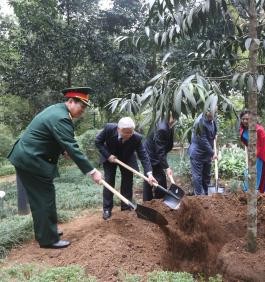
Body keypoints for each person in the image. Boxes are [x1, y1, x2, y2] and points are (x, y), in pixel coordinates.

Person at [8, 87, 103, 249]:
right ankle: (47, 239)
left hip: (30, 157)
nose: (83, 111)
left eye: (85, 108)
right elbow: (72, 147)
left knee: (45, 197)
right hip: (32, 160)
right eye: (82, 106)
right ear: (71, 101)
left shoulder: (57, 110)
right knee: (43, 199)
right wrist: (92, 171)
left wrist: (62, 149)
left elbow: (50, 135)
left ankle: (48, 231)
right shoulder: (61, 118)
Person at [95, 117, 157, 220]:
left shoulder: (137, 138)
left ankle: (126, 206)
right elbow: (98, 142)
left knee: (128, 182)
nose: (129, 135)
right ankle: (107, 209)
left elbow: (143, 156)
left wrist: (149, 174)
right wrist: (108, 155)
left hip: (127, 157)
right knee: (109, 180)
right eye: (126, 132)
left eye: (131, 132)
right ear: (118, 129)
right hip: (110, 156)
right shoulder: (109, 129)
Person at [239, 110, 265, 194]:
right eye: (243, 119)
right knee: (251, 172)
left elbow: (260, 145)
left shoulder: (259, 130)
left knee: (263, 173)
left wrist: (254, 156)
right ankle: (249, 190)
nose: (245, 121)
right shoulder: (242, 129)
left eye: (247, 119)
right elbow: (246, 142)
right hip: (255, 153)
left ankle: (264, 192)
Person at [143, 115, 176, 201]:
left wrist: (165, 165)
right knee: (152, 177)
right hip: (150, 154)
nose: (175, 118)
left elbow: (164, 147)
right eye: (173, 115)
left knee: (155, 177)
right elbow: (160, 151)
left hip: (156, 153)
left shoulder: (169, 124)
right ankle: (151, 201)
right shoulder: (162, 128)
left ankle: (155, 200)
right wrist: (167, 167)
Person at [188, 111, 218, 195]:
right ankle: (199, 197)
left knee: (206, 176)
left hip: (207, 154)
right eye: (212, 112)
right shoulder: (200, 122)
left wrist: (215, 134)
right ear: (206, 110)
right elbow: (203, 141)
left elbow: (215, 130)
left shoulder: (213, 116)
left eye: (215, 112)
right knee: (197, 177)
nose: (214, 115)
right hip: (198, 154)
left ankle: (206, 194)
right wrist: (213, 153)